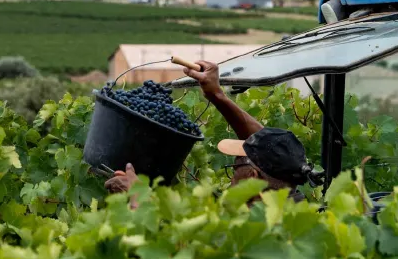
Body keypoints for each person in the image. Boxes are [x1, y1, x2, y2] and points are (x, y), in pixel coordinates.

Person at [104, 60, 322, 201]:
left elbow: (167, 246)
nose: (230, 179)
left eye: (235, 167)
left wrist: (137, 197)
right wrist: (216, 95)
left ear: (251, 179)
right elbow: (264, 144)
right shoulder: (293, 208)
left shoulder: (241, 234)